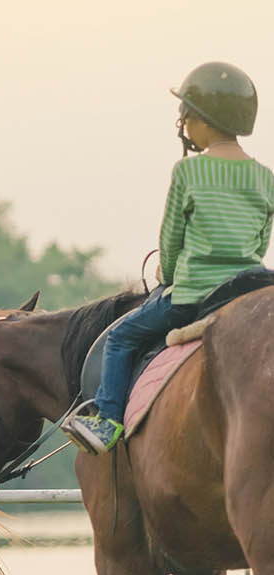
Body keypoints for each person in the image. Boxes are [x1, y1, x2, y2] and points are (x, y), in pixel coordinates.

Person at [64, 62, 271, 455]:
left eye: (187, 113)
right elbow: (260, 242)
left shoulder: (188, 172)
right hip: (250, 291)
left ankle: (107, 421)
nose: (184, 122)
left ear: (205, 119)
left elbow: (171, 239)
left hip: (195, 295)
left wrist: (168, 273)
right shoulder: (265, 177)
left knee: (122, 338)